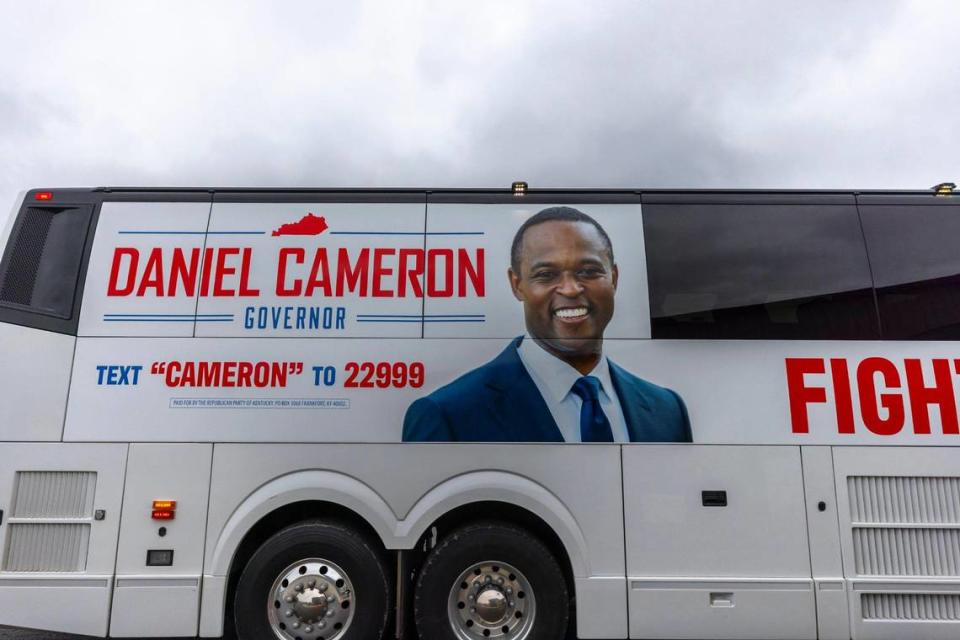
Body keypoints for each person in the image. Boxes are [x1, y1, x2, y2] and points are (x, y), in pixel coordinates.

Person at [402, 206, 692, 443]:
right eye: (546, 274)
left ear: (613, 278)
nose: (570, 289)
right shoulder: (447, 415)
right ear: (517, 285)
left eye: (589, 271)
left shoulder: (667, 410)